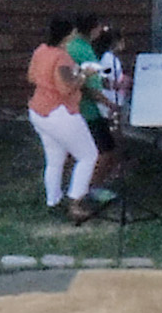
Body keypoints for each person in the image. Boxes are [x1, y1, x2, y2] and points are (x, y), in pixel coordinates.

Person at [25, 16, 104, 219]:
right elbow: (67, 88)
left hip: (38, 110)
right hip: (59, 112)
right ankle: (75, 203)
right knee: (88, 155)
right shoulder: (62, 57)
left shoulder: (41, 50)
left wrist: (69, 74)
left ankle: (53, 200)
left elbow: (31, 76)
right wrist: (84, 74)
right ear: (68, 34)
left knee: (54, 159)